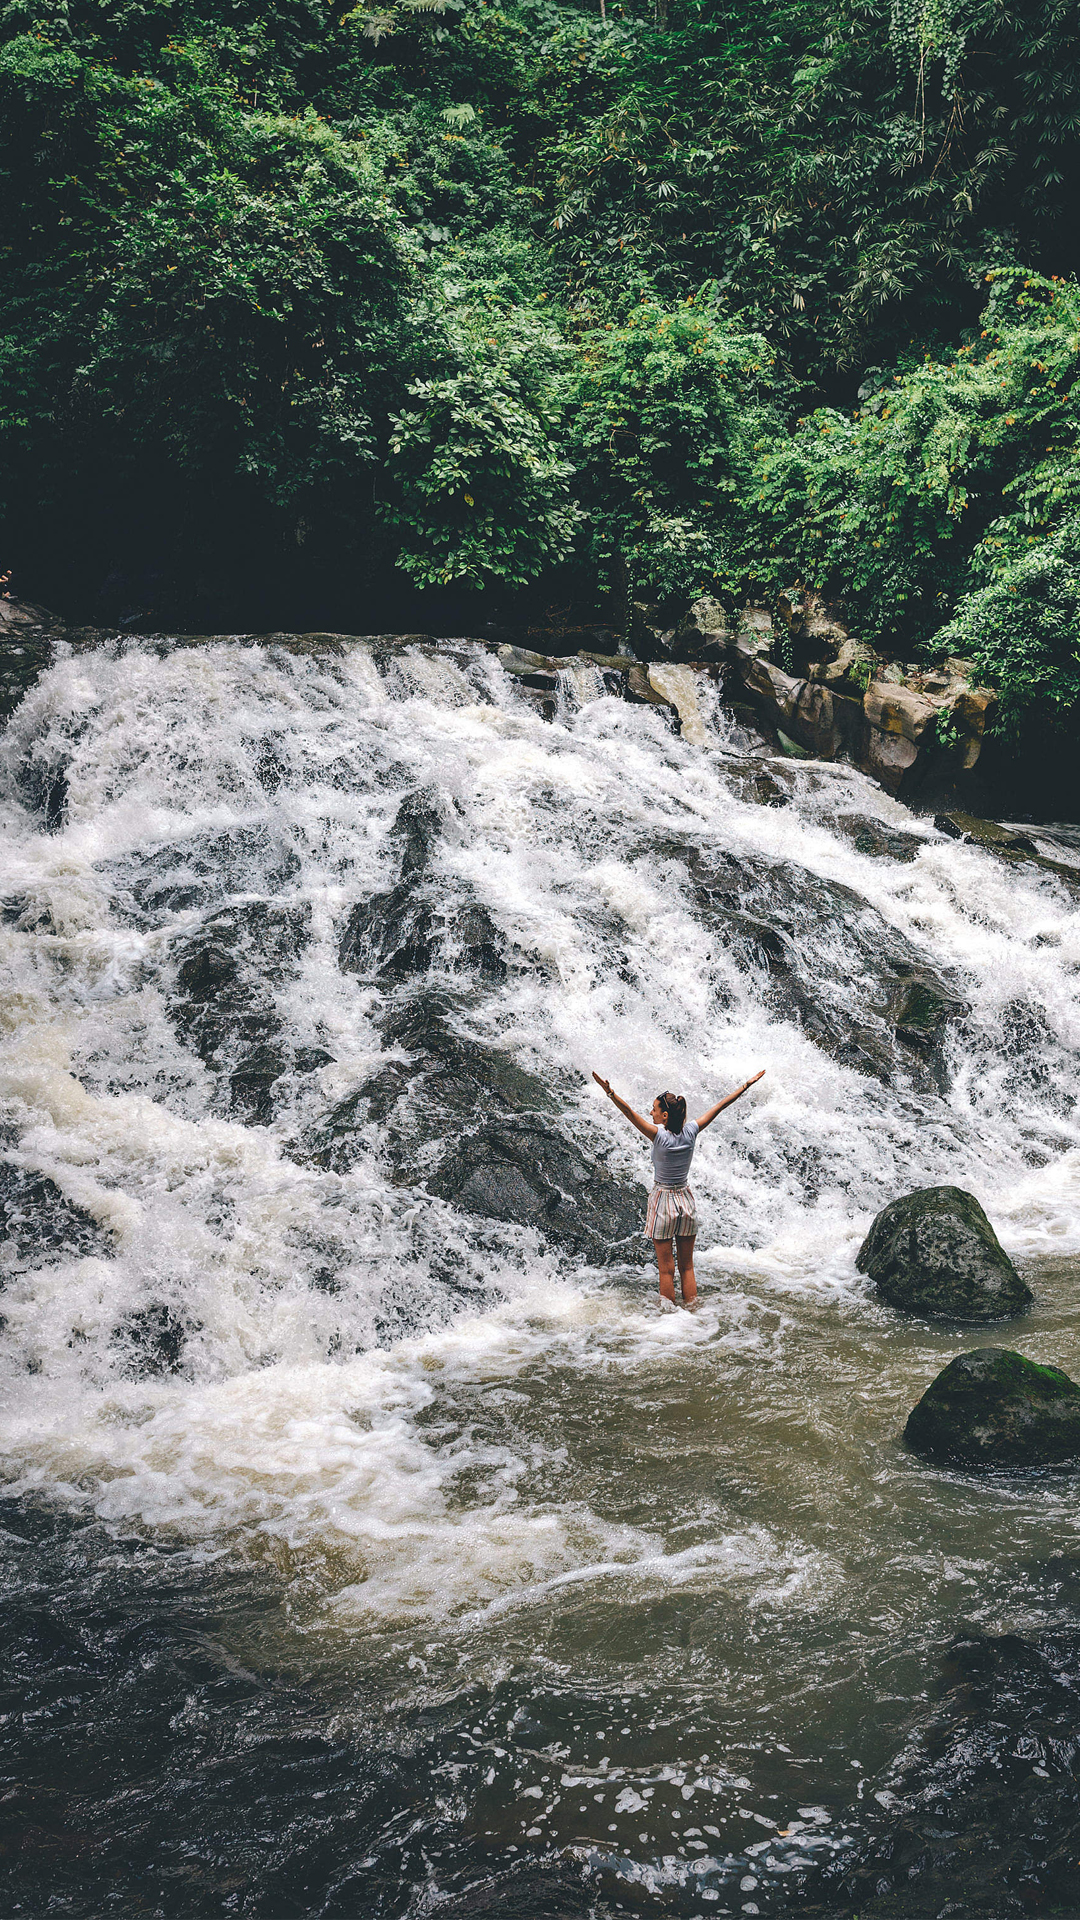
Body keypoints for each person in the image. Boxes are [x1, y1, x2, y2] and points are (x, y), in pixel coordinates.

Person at [591, 1069, 766, 1310]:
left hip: (663, 1200)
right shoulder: (692, 1130)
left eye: (653, 1109)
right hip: (685, 1200)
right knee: (687, 1266)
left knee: (666, 1269)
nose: (650, 1112)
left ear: (664, 1115)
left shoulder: (658, 1135)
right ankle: (693, 1314)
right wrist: (746, 1085)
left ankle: (669, 1322)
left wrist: (610, 1092)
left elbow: (628, 1113)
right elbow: (721, 1105)